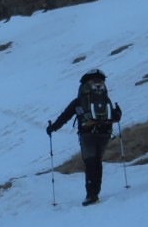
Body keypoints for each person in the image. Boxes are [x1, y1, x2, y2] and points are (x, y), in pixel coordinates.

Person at [46, 69, 122, 205]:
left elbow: (65, 116)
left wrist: (52, 128)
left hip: (87, 133)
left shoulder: (79, 101)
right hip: (105, 132)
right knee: (98, 161)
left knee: (90, 162)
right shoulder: (106, 98)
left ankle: (91, 195)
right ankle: (95, 193)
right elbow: (115, 115)